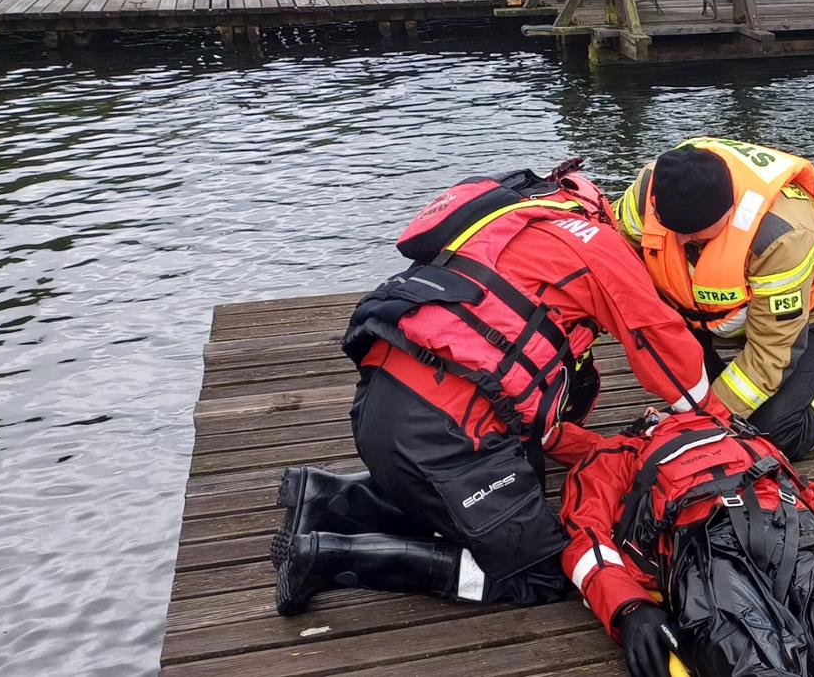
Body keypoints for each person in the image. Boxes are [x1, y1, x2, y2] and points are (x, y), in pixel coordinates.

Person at [270, 159, 715, 616]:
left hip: (380, 411)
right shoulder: (597, 244)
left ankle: (327, 496)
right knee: (539, 573)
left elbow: (531, 418)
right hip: (443, 435)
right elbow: (663, 340)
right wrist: (714, 420)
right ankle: (331, 559)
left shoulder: (504, 226)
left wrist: (604, 450)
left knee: (490, 499)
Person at [561, 403, 814, 677]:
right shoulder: (622, 453)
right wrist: (630, 608)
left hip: (764, 536)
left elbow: (585, 536)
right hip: (723, 544)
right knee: (757, 656)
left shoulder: (736, 436)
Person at [614, 137, 814, 461]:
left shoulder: (781, 234)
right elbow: (610, 257)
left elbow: (772, 352)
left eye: (695, 234)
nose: (681, 241)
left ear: (728, 211)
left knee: (775, 434)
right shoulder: (653, 188)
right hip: (716, 312)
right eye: (673, 230)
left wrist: (702, 422)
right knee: (689, 397)